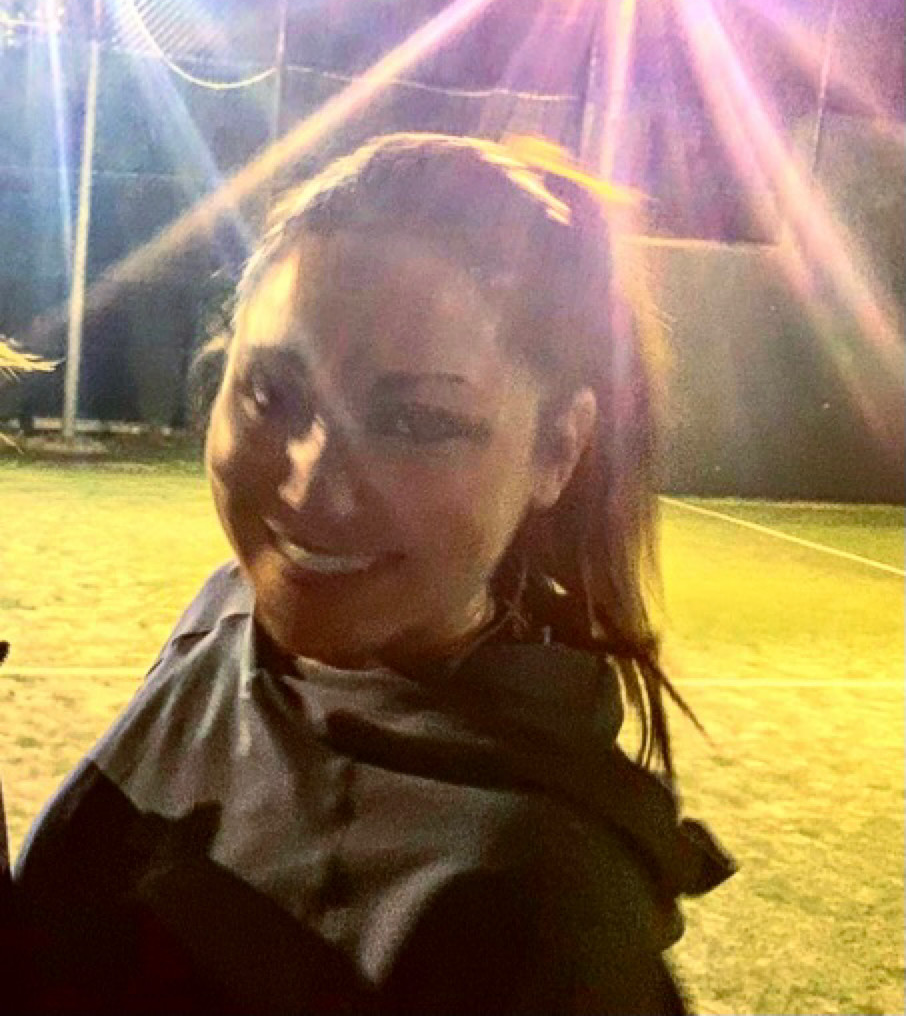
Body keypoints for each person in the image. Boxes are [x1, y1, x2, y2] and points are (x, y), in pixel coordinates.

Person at [11, 133, 735, 1014]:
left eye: (415, 422)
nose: (311, 487)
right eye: (272, 394)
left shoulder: (541, 919)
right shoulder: (230, 614)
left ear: (558, 450)